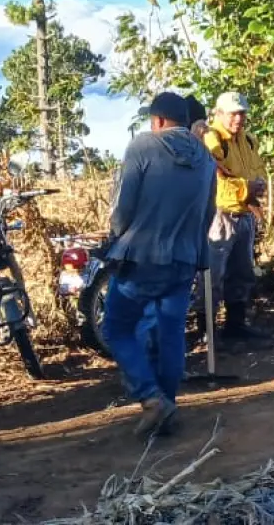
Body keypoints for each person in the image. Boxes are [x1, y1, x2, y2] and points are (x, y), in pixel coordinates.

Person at [103, 92, 217, 438]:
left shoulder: (143, 146)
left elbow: (123, 210)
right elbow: (207, 215)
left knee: (116, 329)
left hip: (141, 258)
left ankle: (151, 399)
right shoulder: (206, 158)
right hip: (184, 260)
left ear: (158, 121)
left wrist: (116, 236)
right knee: (171, 334)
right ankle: (166, 404)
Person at [201, 92, 269, 343]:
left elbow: (257, 169)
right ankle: (206, 332)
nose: (238, 118)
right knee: (214, 275)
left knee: (241, 272)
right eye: (233, 113)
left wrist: (258, 185)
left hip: (244, 214)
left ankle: (235, 326)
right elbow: (214, 179)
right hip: (220, 215)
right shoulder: (212, 139)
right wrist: (246, 189)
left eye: (241, 113)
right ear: (219, 114)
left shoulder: (248, 140)